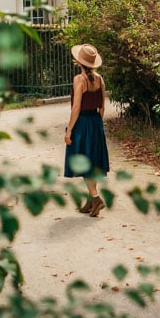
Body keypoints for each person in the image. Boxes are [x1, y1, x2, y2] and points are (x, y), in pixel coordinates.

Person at [64, 42, 109, 217]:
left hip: (82, 123)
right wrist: (96, 125)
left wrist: (69, 131)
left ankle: (96, 198)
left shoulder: (79, 80)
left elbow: (76, 109)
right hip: (96, 123)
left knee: (84, 162)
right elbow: (103, 108)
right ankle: (91, 202)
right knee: (91, 161)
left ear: (78, 61)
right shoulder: (100, 79)